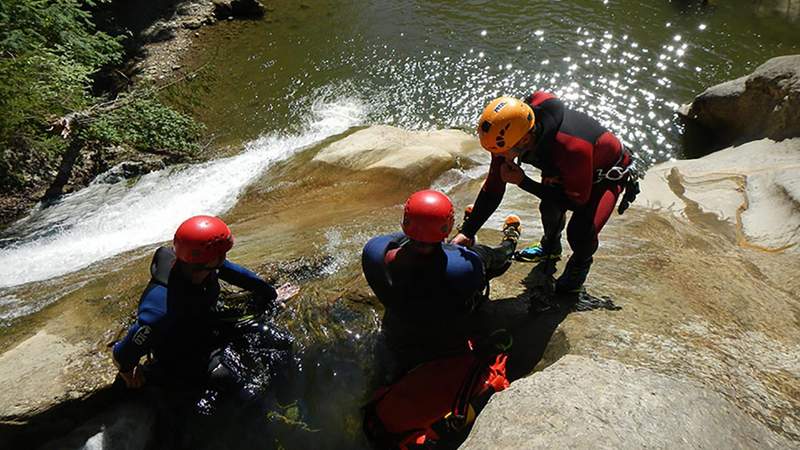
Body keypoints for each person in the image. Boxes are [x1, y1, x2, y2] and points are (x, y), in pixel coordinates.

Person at [451, 93, 640, 294]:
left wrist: (523, 182)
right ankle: (550, 249)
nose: (497, 156)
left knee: (581, 232)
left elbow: (577, 203)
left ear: (525, 140)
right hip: (565, 167)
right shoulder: (516, 127)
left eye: (502, 152)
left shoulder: (572, 148)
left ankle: (579, 265)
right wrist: (468, 232)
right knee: (548, 208)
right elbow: (493, 188)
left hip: (604, 176)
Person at [112, 215, 297, 396]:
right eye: (221, 254)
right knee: (229, 381)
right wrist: (128, 371)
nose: (225, 256)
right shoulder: (160, 310)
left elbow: (238, 275)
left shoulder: (196, 264)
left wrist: (272, 294)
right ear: (205, 260)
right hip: (178, 347)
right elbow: (123, 353)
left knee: (279, 339)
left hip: (201, 320)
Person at [361, 189, 521, 375]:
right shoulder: (463, 267)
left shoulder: (373, 254)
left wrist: (424, 231)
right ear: (448, 227)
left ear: (405, 223)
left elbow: (395, 239)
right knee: (486, 255)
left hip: (398, 331)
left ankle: (453, 232)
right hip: (446, 340)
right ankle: (509, 243)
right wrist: (448, 243)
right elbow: (469, 265)